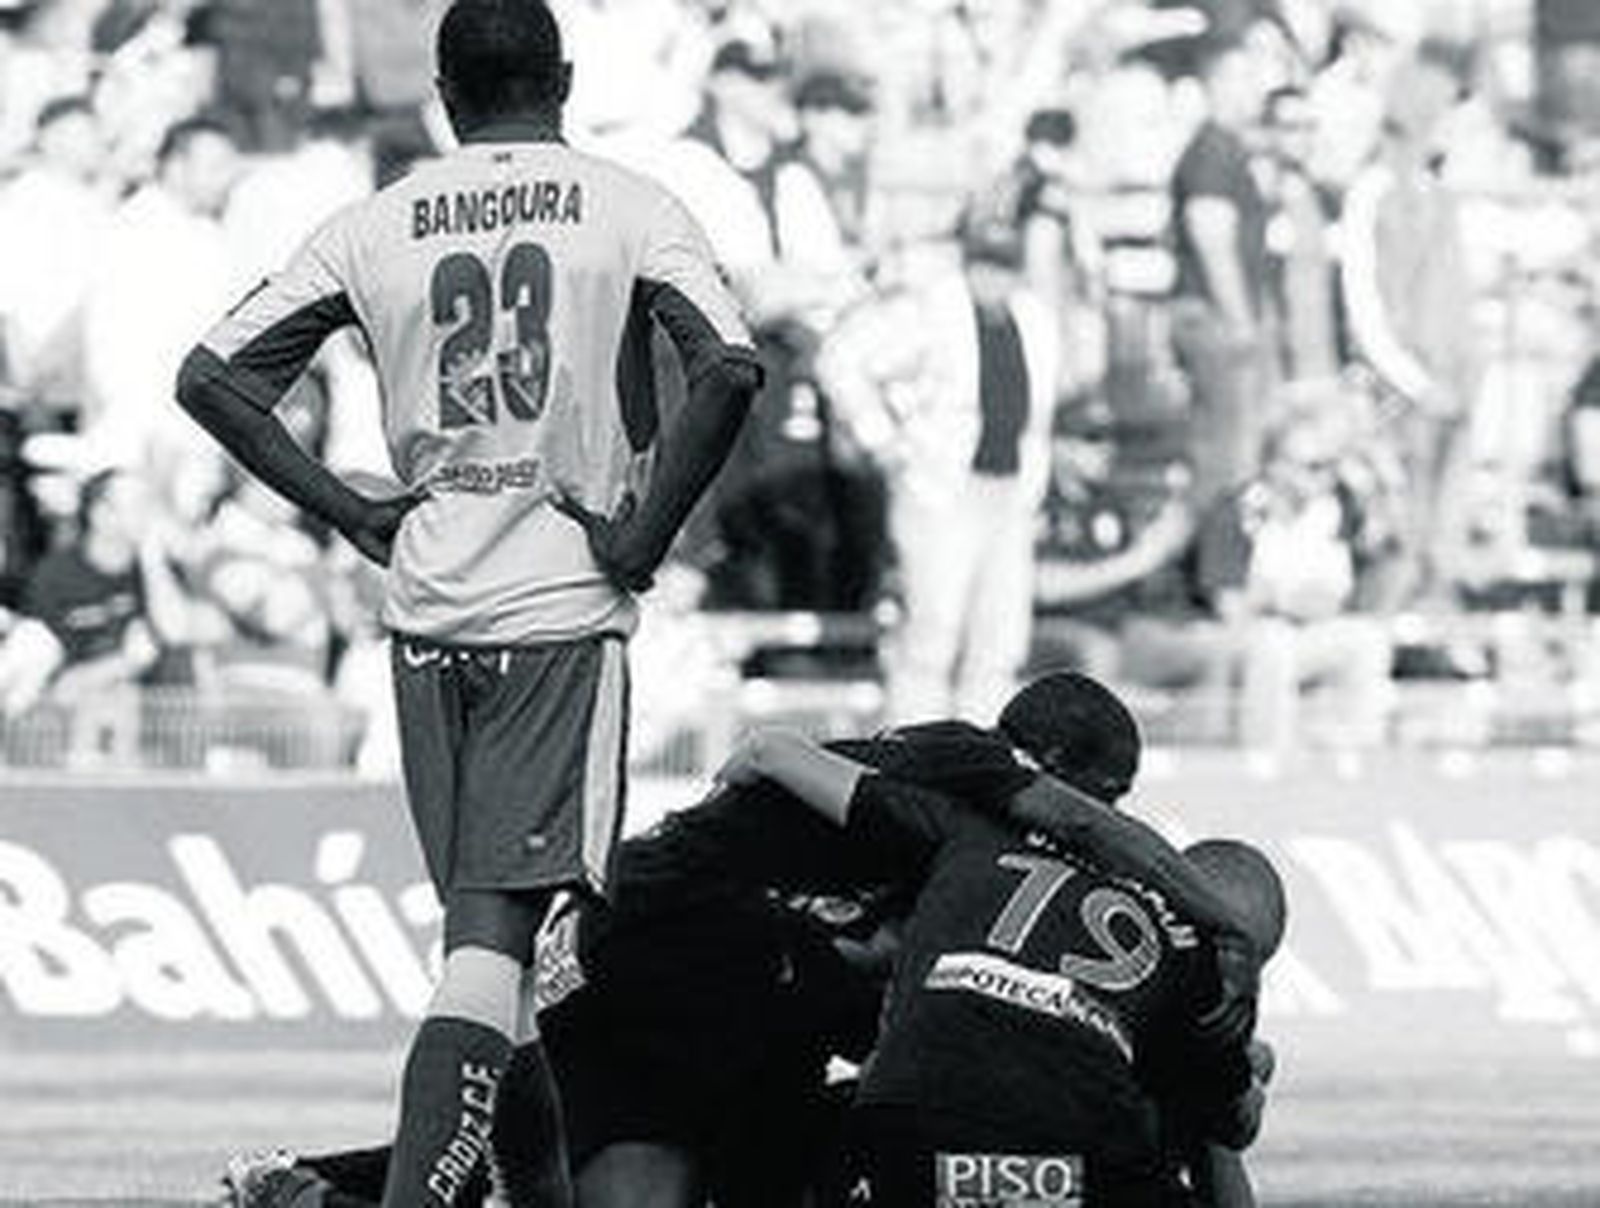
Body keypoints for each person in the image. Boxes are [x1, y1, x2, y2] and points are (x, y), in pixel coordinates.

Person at [174, 2, 762, 1205]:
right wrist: (642, 537)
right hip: (556, 609)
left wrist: (349, 507)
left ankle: (532, 1194)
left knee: (494, 956)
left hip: (429, 613)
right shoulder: (631, 204)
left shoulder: (374, 222)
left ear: (445, 93)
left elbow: (215, 377)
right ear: (565, 78)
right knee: (491, 951)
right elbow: (728, 368)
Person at [718, 690, 1282, 1206]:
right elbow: (1229, 1129)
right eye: (1111, 796)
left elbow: (771, 753)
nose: (1116, 816)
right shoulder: (1189, 947)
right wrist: (1250, 1057)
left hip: (897, 1122)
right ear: (1053, 766)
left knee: (780, 1138)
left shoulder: (962, 822)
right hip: (1058, 1150)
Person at [819, 234, 1059, 725]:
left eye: (1005, 265)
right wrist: (882, 440)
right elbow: (841, 362)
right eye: (986, 263)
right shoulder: (930, 310)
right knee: (932, 631)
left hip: (1009, 495)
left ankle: (984, 761)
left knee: (1001, 638)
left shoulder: (1034, 318)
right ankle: (914, 754)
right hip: (941, 492)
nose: (995, 277)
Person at [1168, 32, 1276, 516]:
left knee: (1233, 453)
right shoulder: (1212, 149)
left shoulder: (1228, 148)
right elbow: (1211, 238)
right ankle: (1221, 580)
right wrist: (1240, 321)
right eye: (1247, 76)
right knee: (1229, 460)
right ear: (1220, 83)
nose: (1257, 87)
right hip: (1214, 319)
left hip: (1217, 316)